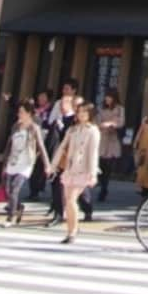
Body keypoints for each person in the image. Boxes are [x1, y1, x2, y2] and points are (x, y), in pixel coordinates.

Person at [49, 101, 101, 245]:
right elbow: (62, 148)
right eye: (79, 111)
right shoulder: (72, 130)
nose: (81, 114)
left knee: (72, 199)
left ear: (90, 114)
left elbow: (93, 153)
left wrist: (93, 172)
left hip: (83, 170)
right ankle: (71, 229)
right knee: (68, 201)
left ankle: (72, 232)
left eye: (84, 111)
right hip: (70, 169)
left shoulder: (93, 130)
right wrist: (52, 166)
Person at [1, 100, 49, 226]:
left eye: (22, 112)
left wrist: (47, 164)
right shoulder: (15, 126)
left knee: (14, 189)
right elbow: (9, 142)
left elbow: (41, 146)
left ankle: (10, 217)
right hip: (13, 160)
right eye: (19, 112)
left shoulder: (34, 128)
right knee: (7, 189)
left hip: (26, 162)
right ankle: (18, 207)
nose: (19, 114)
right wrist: (4, 157)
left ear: (29, 113)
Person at [44, 93, 77, 225]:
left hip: (69, 159)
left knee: (72, 191)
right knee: (56, 186)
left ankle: (85, 210)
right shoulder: (56, 119)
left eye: (64, 103)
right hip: (56, 157)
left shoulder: (74, 120)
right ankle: (58, 214)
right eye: (61, 103)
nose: (62, 106)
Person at [96, 89, 124, 202]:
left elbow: (121, 122)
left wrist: (111, 124)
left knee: (107, 164)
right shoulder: (102, 109)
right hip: (101, 137)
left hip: (112, 138)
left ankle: (104, 187)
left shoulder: (120, 109)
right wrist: (102, 125)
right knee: (101, 162)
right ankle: (102, 183)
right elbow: (97, 121)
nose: (107, 99)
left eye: (109, 97)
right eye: (106, 97)